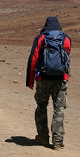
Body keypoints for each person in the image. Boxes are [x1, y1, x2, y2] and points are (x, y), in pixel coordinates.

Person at [26, 17, 71, 150]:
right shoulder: (65, 38)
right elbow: (66, 57)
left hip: (43, 78)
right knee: (59, 108)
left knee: (41, 106)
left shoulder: (40, 38)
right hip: (60, 78)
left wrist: (30, 81)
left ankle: (43, 138)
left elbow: (33, 60)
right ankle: (57, 141)